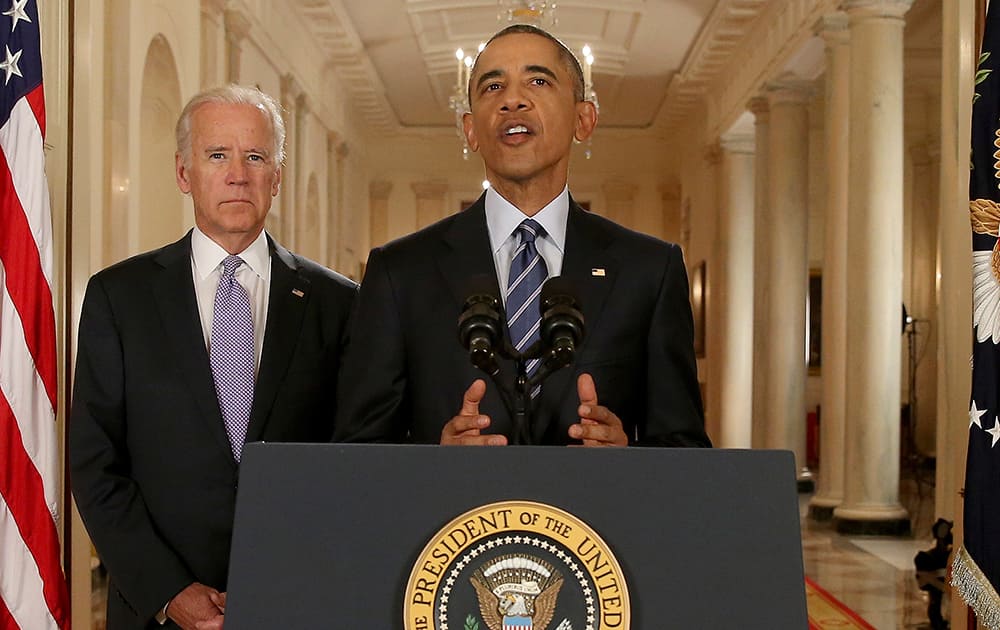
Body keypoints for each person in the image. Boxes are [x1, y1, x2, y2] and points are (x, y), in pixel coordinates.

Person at [334, 24, 710, 448]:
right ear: (471, 130)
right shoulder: (399, 273)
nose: (512, 100)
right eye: (492, 86)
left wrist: (629, 462)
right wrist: (432, 467)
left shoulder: (649, 270)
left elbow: (685, 450)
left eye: (538, 81)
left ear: (583, 119)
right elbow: (356, 452)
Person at [69, 85, 357, 629]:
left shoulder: (338, 303)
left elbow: (354, 453)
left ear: (277, 177)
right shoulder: (119, 297)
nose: (238, 174)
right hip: (157, 610)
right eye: (217, 155)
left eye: (255, 156)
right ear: (184, 174)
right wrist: (169, 591)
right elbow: (95, 462)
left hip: (299, 602)